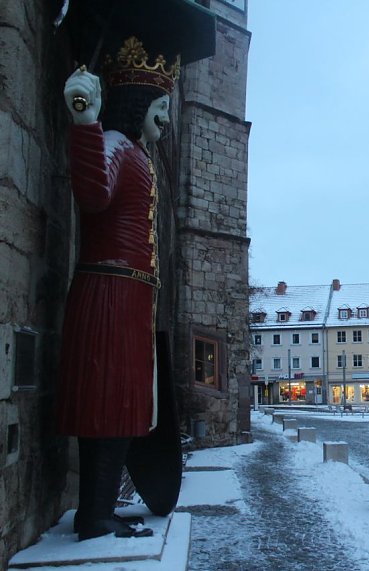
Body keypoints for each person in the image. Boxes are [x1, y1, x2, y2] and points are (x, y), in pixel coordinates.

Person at [58, 37, 180, 540]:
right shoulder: (114, 145)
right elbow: (92, 192)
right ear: (138, 106)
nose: (166, 119)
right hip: (109, 293)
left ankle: (100, 508)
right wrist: (85, 118)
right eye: (160, 108)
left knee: (126, 403)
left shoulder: (140, 155)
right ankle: (94, 514)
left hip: (131, 300)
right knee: (106, 400)